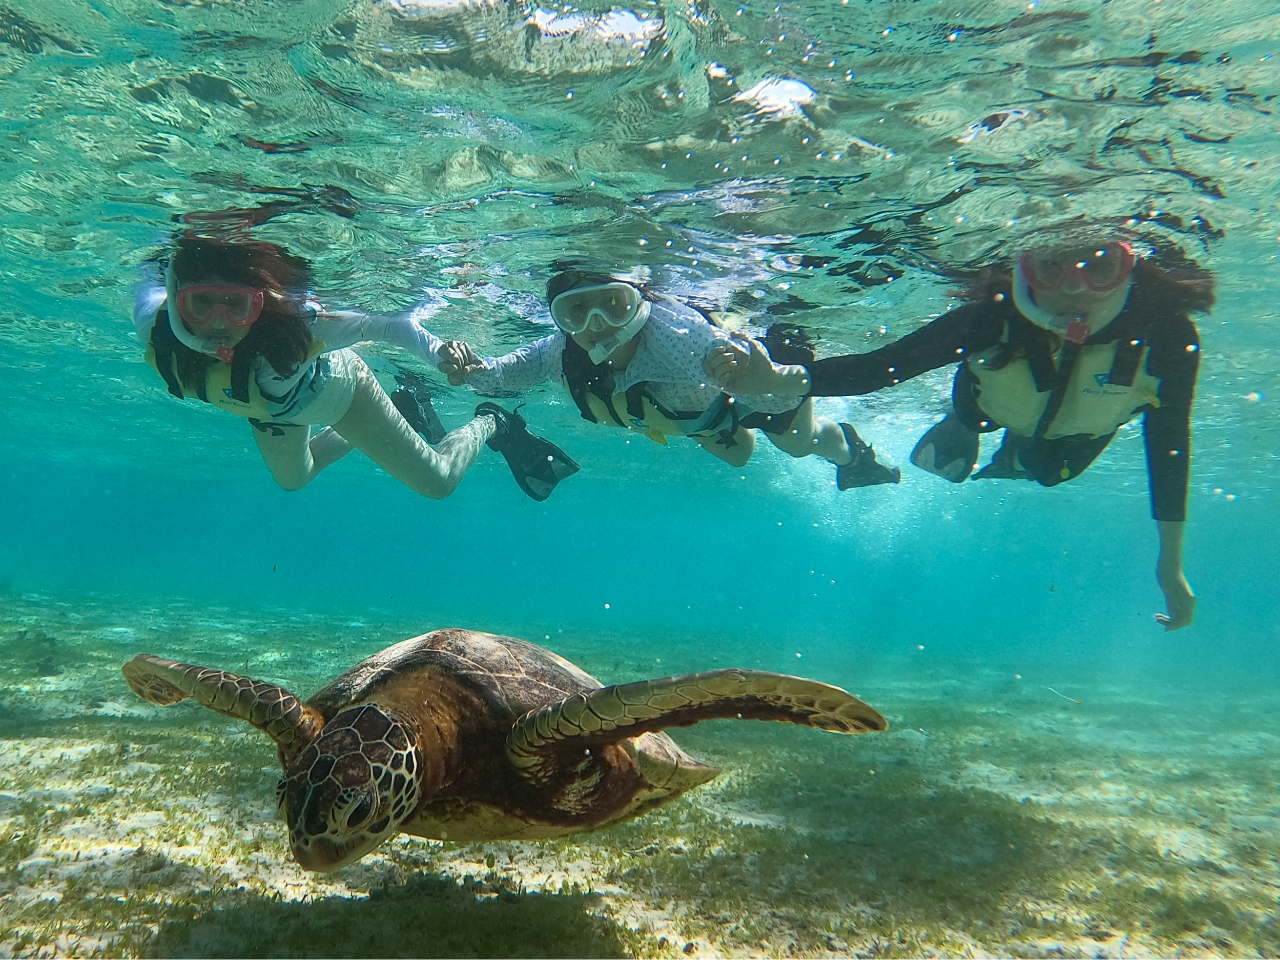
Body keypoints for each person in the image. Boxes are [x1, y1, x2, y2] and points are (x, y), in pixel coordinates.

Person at [710, 230, 1213, 631]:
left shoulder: (1167, 338)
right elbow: (885, 367)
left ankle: (1013, 458)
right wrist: (781, 379)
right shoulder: (991, 320)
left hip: (1076, 433)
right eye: (1052, 265)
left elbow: (1169, 445)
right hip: (985, 404)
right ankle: (964, 430)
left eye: (1101, 266)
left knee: (1050, 472)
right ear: (1026, 268)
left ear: (1132, 268)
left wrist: (1172, 563)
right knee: (973, 417)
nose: (1074, 287)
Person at [134, 236, 578, 502]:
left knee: (438, 482)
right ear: (175, 300)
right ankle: (402, 404)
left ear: (260, 304)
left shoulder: (297, 332)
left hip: (343, 393)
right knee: (295, 479)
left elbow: (385, 324)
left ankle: (489, 422)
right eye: (200, 305)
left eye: (236, 306)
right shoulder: (154, 331)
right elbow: (147, 278)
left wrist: (440, 351)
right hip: (276, 412)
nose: (219, 325)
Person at [435, 269, 899, 486]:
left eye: (612, 303)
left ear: (638, 300)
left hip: (749, 395)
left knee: (799, 443)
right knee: (739, 456)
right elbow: (494, 378)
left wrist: (761, 379)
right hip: (696, 415)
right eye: (577, 311)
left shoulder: (680, 339)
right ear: (561, 322)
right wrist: (465, 366)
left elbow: (782, 399)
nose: (598, 325)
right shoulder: (560, 351)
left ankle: (852, 454)